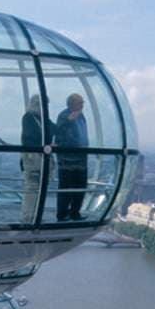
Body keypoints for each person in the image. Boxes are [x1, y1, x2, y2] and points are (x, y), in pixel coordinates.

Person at [54, 93, 88, 221]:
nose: (82, 105)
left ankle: (75, 212)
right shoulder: (64, 116)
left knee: (80, 186)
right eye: (79, 103)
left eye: (82, 103)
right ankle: (62, 214)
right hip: (67, 159)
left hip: (80, 158)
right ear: (71, 103)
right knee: (66, 187)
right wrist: (69, 121)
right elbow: (59, 133)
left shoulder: (81, 116)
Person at [19, 95, 47, 224]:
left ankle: (33, 215)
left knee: (36, 188)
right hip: (32, 158)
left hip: (37, 157)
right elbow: (29, 137)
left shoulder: (40, 119)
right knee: (31, 188)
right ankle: (28, 217)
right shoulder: (29, 118)